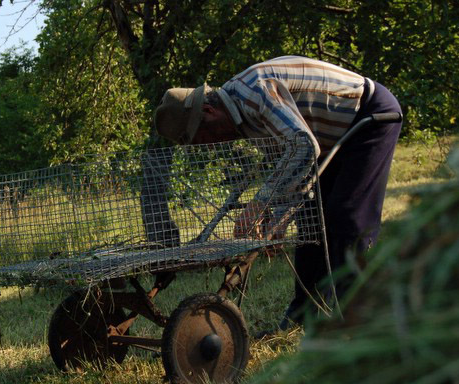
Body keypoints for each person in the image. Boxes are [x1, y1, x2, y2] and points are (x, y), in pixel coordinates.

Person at [153, 55, 403, 330]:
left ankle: (363, 318)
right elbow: (293, 169)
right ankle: (304, 316)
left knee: (347, 219)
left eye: (204, 138)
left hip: (368, 116)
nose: (211, 146)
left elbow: (304, 147)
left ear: (209, 113)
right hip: (325, 139)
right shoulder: (243, 122)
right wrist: (278, 219)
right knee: (311, 224)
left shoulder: (255, 93)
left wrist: (258, 204)